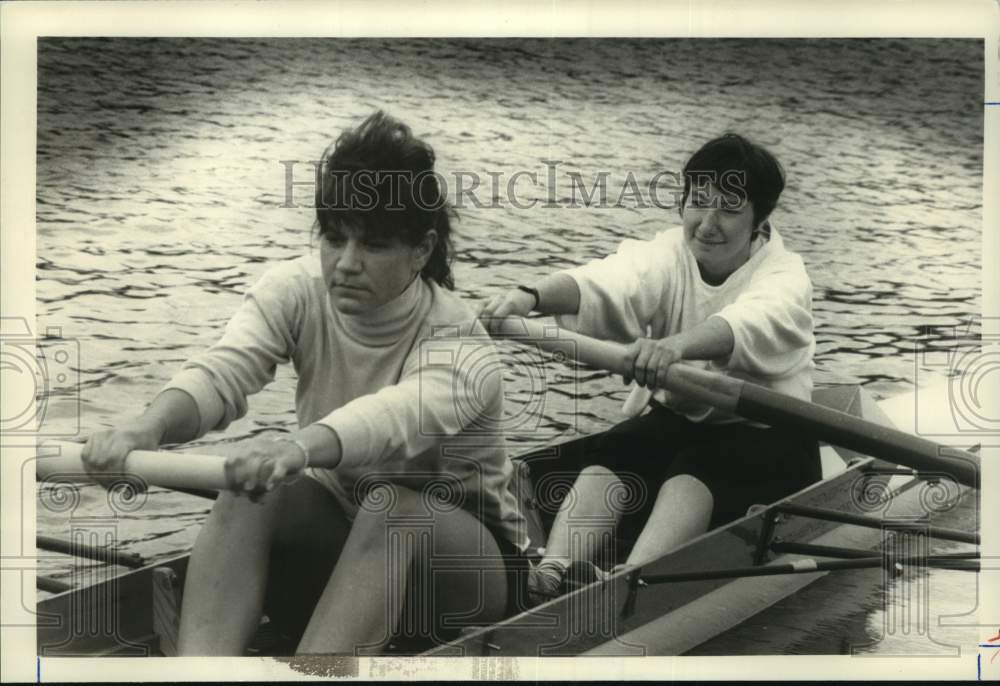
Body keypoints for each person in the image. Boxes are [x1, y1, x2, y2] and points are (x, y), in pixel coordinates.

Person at [81, 111, 529, 655]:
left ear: (422, 249)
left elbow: (394, 419)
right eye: (335, 238)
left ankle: (314, 672)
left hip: (468, 573)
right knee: (251, 492)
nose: (345, 264)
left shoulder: (460, 341)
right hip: (348, 545)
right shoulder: (295, 291)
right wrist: (145, 430)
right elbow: (224, 371)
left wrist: (299, 447)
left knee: (391, 505)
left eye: (374, 246)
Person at [479, 133, 821, 603]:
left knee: (695, 466)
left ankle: (631, 585)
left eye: (728, 208)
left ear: (759, 222)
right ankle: (552, 572)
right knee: (618, 448)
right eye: (698, 202)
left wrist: (673, 347)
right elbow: (610, 282)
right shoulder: (668, 254)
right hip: (685, 420)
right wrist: (530, 297)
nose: (707, 223)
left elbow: (751, 321)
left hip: (771, 434)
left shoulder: (785, 276)